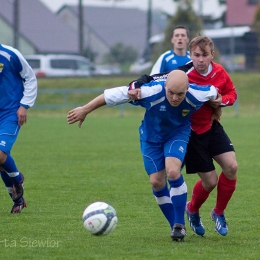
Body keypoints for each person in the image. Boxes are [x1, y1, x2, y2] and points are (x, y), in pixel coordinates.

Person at [67, 70, 217, 241]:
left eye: (180, 94)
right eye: (171, 93)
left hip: (177, 135)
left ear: (188, 88)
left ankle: (179, 224)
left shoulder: (197, 93)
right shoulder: (150, 91)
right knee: (156, 181)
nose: (175, 98)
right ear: (165, 86)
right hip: (150, 139)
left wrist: (218, 104)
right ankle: (174, 225)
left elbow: (215, 91)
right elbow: (113, 95)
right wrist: (85, 109)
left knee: (173, 172)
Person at [130, 36, 238, 237]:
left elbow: (231, 93)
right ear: (191, 55)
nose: (201, 59)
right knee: (210, 182)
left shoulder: (220, 72)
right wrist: (135, 84)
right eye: (196, 55)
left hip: (212, 127)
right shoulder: (181, 74)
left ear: (211, 55)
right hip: (190, 133)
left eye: (205, 55)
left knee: (232, 167)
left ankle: (218, 212)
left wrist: (223, 101)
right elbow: (153, 79)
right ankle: (192, 210)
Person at [0, 44, 37, 213]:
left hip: (10, 112)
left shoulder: (10, 54)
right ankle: (18, 201)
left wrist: (24, 105)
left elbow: (30, 78)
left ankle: (17, 178)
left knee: (0, 154)